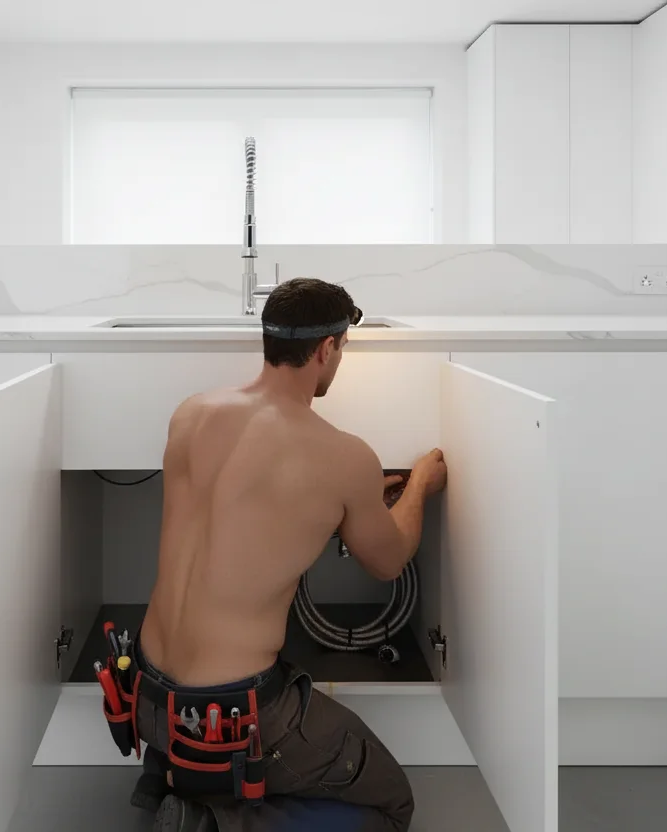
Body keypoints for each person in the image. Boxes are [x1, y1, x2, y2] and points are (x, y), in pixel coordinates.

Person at [130, 277, 448, 832]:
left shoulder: (191, 414)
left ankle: (175, 780)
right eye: (343, 349)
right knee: (392, 805)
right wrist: (420, 483)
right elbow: (389, 560)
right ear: (327, 348)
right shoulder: (343, 456)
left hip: (148, 700)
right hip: (232, 716)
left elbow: (248, 522)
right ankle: (212, 821)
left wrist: (353, 502)